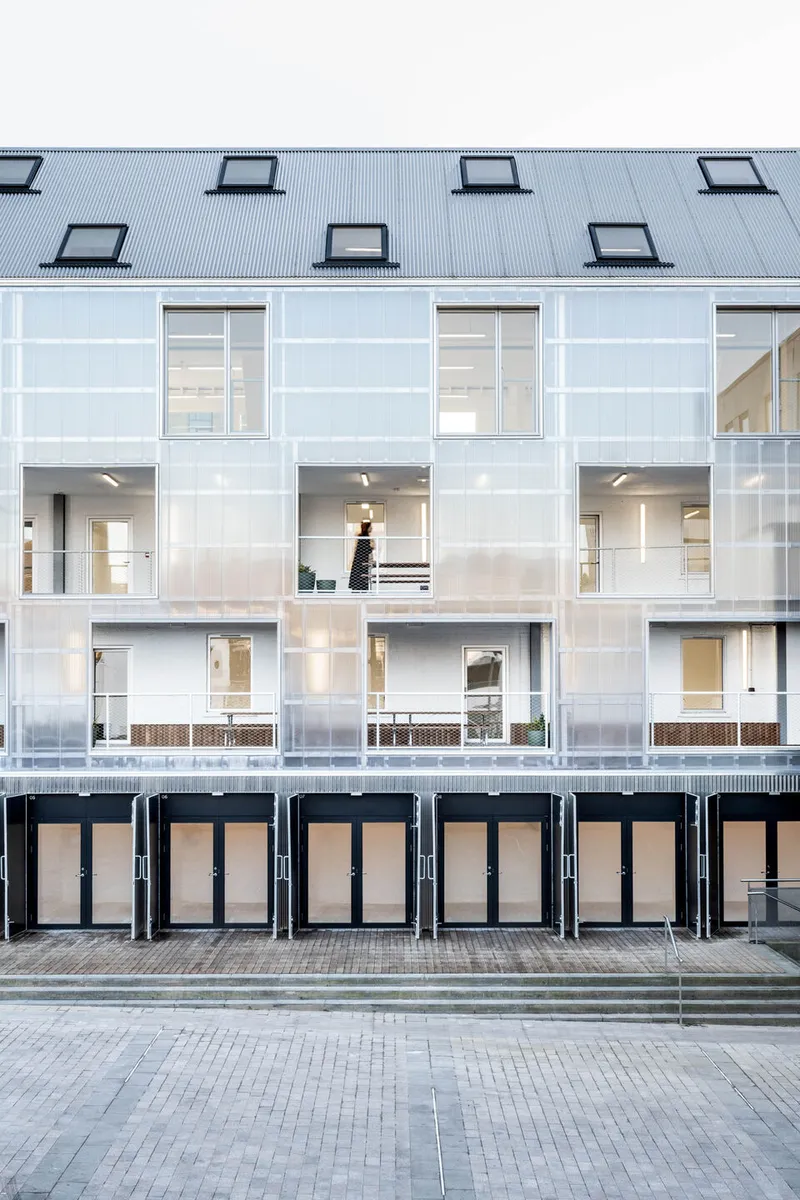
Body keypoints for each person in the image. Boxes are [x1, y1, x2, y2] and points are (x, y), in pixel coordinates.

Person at [348, 521, 374, 591]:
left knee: (359, 577)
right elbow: (366, 549)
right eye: (370, 527)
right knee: (362, 577)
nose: (372, 528)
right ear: (367, 528)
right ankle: (361, 591)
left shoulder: (361, 537)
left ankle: (358, 590)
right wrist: (372, 547)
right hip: (362, 561)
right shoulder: (365, 537)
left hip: (359, 561)